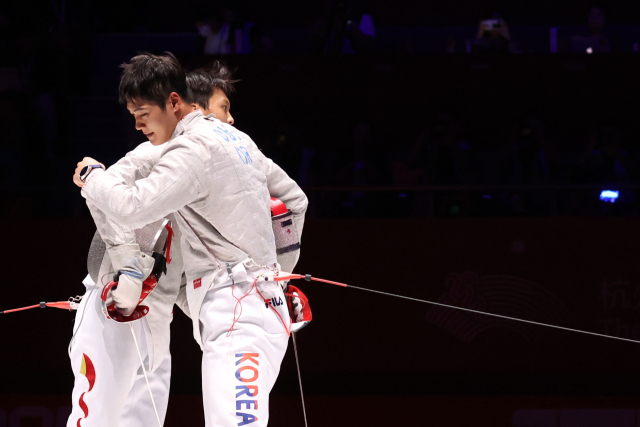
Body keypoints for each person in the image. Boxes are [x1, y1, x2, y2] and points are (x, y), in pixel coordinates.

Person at [74, 52, 307, 426]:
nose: (138, 126)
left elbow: (126, 204)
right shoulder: (237, 139)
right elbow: (294, 203)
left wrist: (92, 176)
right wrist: (276, 275)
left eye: (144, 114)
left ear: (176, 103)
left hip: (232, 309)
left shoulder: (189, 150)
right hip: (250, 308)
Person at [66, 59, 243, 427]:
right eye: (222, 108)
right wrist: (129, 267)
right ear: (191, 108)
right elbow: (99, 191)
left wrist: (239, 305)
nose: (229, 121)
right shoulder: (154, 155)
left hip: (157, 326)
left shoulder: (210, 178)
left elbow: (180, 278)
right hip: (114, 309)